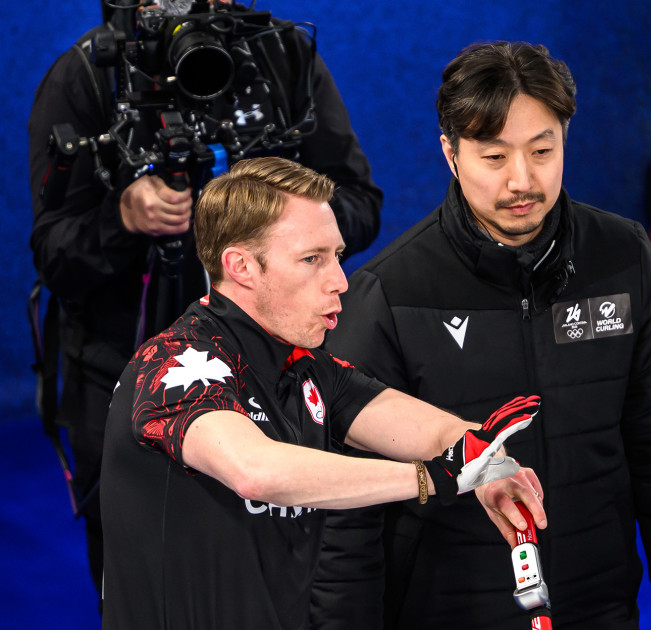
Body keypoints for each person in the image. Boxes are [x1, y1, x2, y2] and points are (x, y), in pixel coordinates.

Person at [311, 41, 651, 629]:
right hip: (447, 612)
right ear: (451, 154)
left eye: (542, 150)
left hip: (599, 607)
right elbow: (344, 510)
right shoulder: (390, 294)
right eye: (494, 156)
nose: (521, 180)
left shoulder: (623, 258)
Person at [28, 0, 382, 597]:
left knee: (296, 573)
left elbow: (360, 205)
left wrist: (272, 218)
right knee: (139, 581)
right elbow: (54, 255)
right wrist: (123, 218)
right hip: (122, 375)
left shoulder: (282, 55)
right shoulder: (89, 75)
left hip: (278, 377)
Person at [99, 156, 544, 630]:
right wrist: (435, 477)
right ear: (241, 265)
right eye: (312, 259)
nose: (340, 281)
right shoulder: (173, 365)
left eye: (337, 255)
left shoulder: (306, 366)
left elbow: (425, 429)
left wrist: (490, 462)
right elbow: (256, 471)